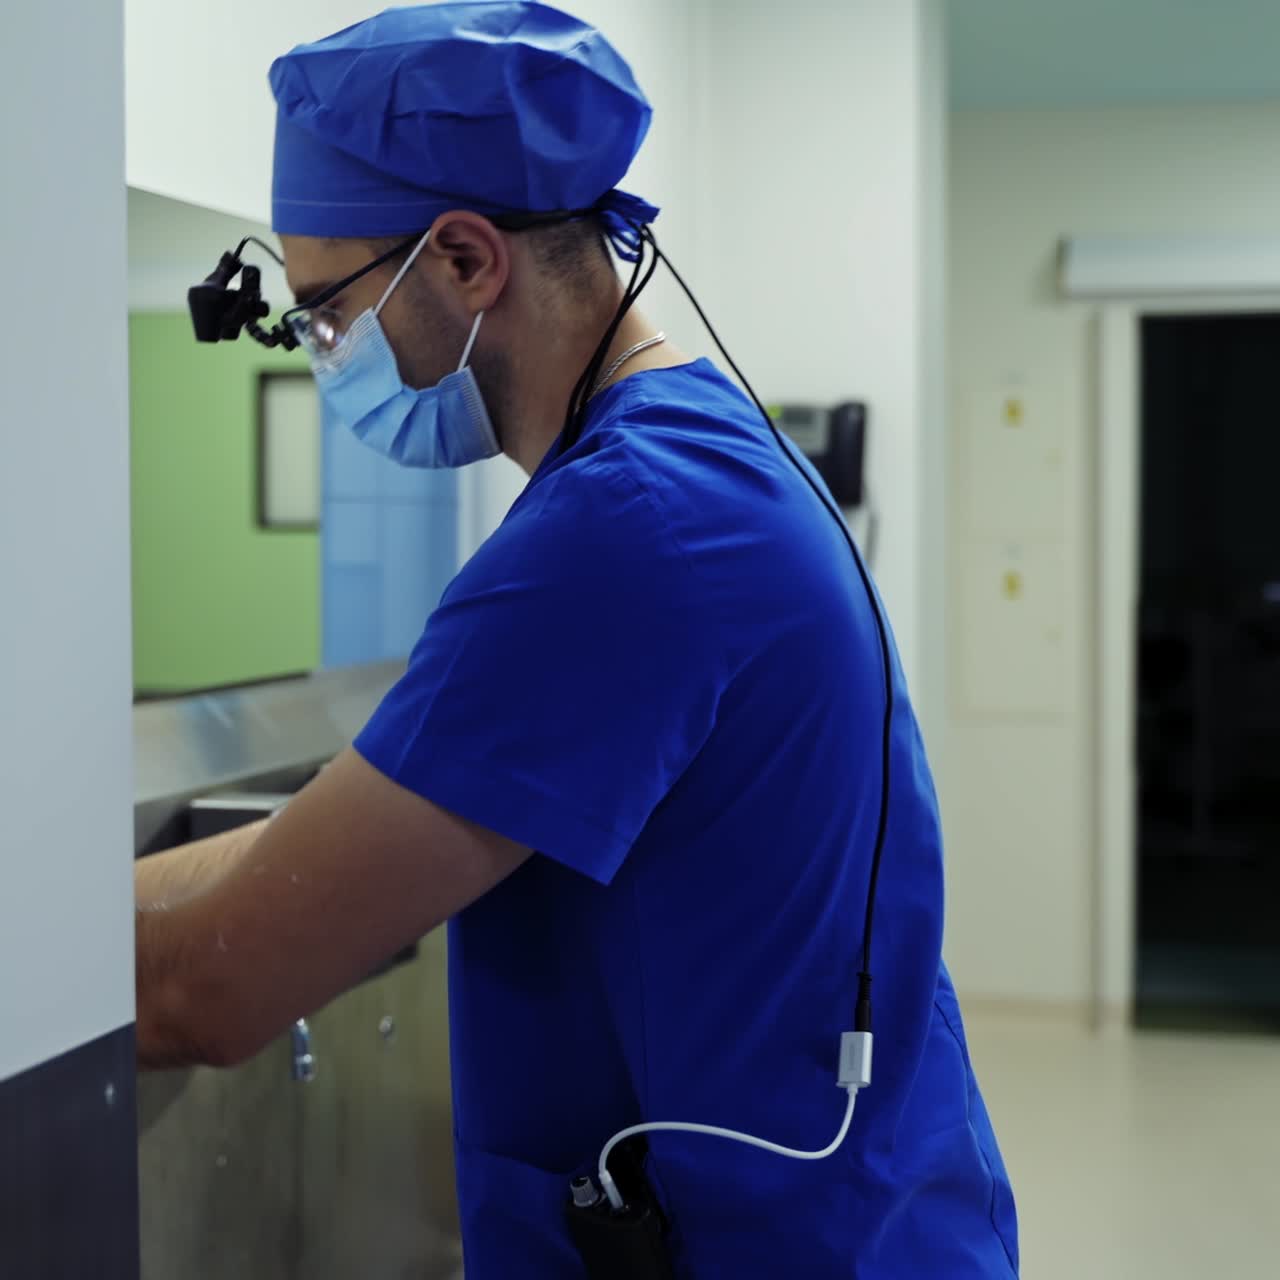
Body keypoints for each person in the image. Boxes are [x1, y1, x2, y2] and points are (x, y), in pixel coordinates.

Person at [134, 3, 1019, 1276]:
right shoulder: (695, 457)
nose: (322, 356)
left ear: (461, 260)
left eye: (325, 315)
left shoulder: (623, 538)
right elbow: (311, 847)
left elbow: (204, 992)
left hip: (764, 1244)